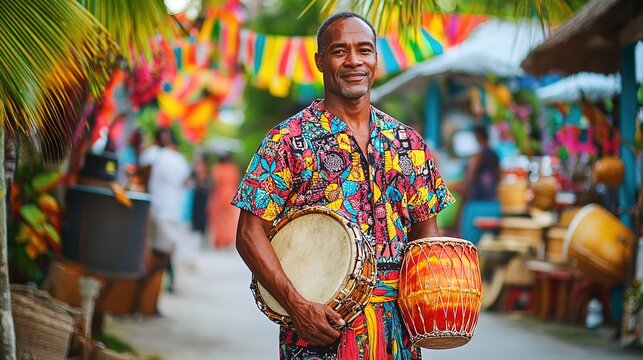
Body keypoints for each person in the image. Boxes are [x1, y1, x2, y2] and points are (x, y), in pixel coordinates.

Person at [232, 12, 454, 359]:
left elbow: (426, 236)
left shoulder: (408, 143)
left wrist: (434, 300)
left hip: (397, 334)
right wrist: (297, 305)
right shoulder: (288, 140)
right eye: (339, 51)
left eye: (364, 50)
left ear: (376, 59)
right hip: (317, 331)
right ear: (320, 61)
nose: (354, 60)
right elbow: (248, 233)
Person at [134, 127, 191, 311]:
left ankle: (140, 299)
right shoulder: (179, 160)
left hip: (153, 208)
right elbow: (186, 182)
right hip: (169, 213)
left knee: (156, 255)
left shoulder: (151, 154)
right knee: (162, 257)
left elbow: (140, 172)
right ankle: (137, 297)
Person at [455, 125, 501, 244]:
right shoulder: (495, 155)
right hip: (494, 206)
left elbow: (467, 183)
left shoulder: (477, 156)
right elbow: (498, 179)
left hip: (476, 207)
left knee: (469, 250)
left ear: (478, 137)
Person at [208, 152, 240, 248]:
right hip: (230, 195)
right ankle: (228, 239)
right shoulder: (233, 168)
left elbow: (214, 183)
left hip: (219, 196)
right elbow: (236, 181)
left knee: (218, 218)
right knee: (229, 218)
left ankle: (220, 239)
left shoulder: (217, 168)